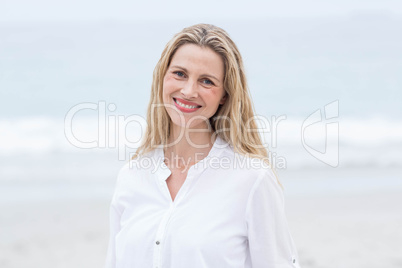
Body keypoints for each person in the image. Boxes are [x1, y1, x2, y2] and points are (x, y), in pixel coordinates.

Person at [105, 23, 301, 268]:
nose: (188, 91)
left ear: (225, 96)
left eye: (206, 81)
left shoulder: (252, 180)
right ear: (162, 78)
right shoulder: (131, 176)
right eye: (179, 74)